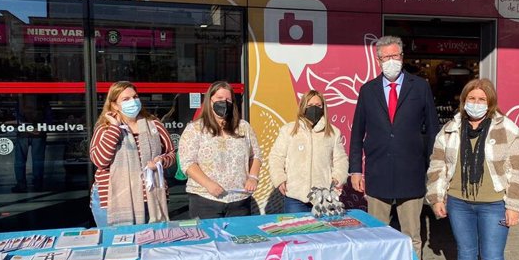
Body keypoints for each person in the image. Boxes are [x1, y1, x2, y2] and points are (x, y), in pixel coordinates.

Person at [426, 78, 519, 260]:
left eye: (481, 99)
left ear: (490, 102)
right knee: (466, 254)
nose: (476, 104)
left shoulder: (507, 128)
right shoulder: (449, 130)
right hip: (459, 202)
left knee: (493, 258)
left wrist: (514, 206)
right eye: (471, 99)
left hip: (494, 204)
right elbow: (437, 164)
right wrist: (437, 197)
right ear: (463, 101)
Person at [349, 35, 439, 260]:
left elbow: (432, 131)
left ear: (402, 56)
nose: (391, 60)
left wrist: (434, 169)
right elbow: (357, 132)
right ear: (378, 60)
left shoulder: (420, 87)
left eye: (394, 55)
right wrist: (356, 170)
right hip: (378, 173)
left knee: (411, 236)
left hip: (412, 172)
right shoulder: (368, 90)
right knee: (376, 235)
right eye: (385, 57)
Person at [89, 81, 175, 227]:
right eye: (126, 99)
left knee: (151, 244)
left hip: (151, 198)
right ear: (114, 105)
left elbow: (171, 154)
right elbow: (100, 161)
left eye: (135, 97)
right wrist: (115, 129)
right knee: (117, 245)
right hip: (111, 200)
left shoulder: (154, 125)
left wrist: (161, 161)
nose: (133, 102)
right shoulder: (105, 129)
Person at [178, 81, 262, 219]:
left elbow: (256, 156)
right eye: (219, 99)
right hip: (205, 199)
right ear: (210, 101)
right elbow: (187, 163)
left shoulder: (244, 127)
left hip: (239, 200)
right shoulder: (195, 129)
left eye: (228, 100)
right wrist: (209, 184)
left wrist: (253, 178)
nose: (224, 103)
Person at [268, 90, 348, 213]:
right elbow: (276, 157)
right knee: (297, 231)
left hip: (323, 197)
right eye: (310, 106)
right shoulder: (288, 130)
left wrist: (337, 178)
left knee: (322, 231)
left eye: (318, 106)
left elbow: (341, 159)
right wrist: (279, 179)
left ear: (323, 108)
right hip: (295, 197)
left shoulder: (333, 133)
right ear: (303, 107)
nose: (314, 109)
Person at [12, 95, 51, 192]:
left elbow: (17, 116)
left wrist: (26, 128)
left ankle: (21, 184)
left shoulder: (21, 98)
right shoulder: (43, 99)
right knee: (38, 160)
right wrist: (40, 128)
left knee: (20, 160)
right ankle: (38, 184)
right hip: (39, 133)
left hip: (23, 133)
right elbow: (49, 117)